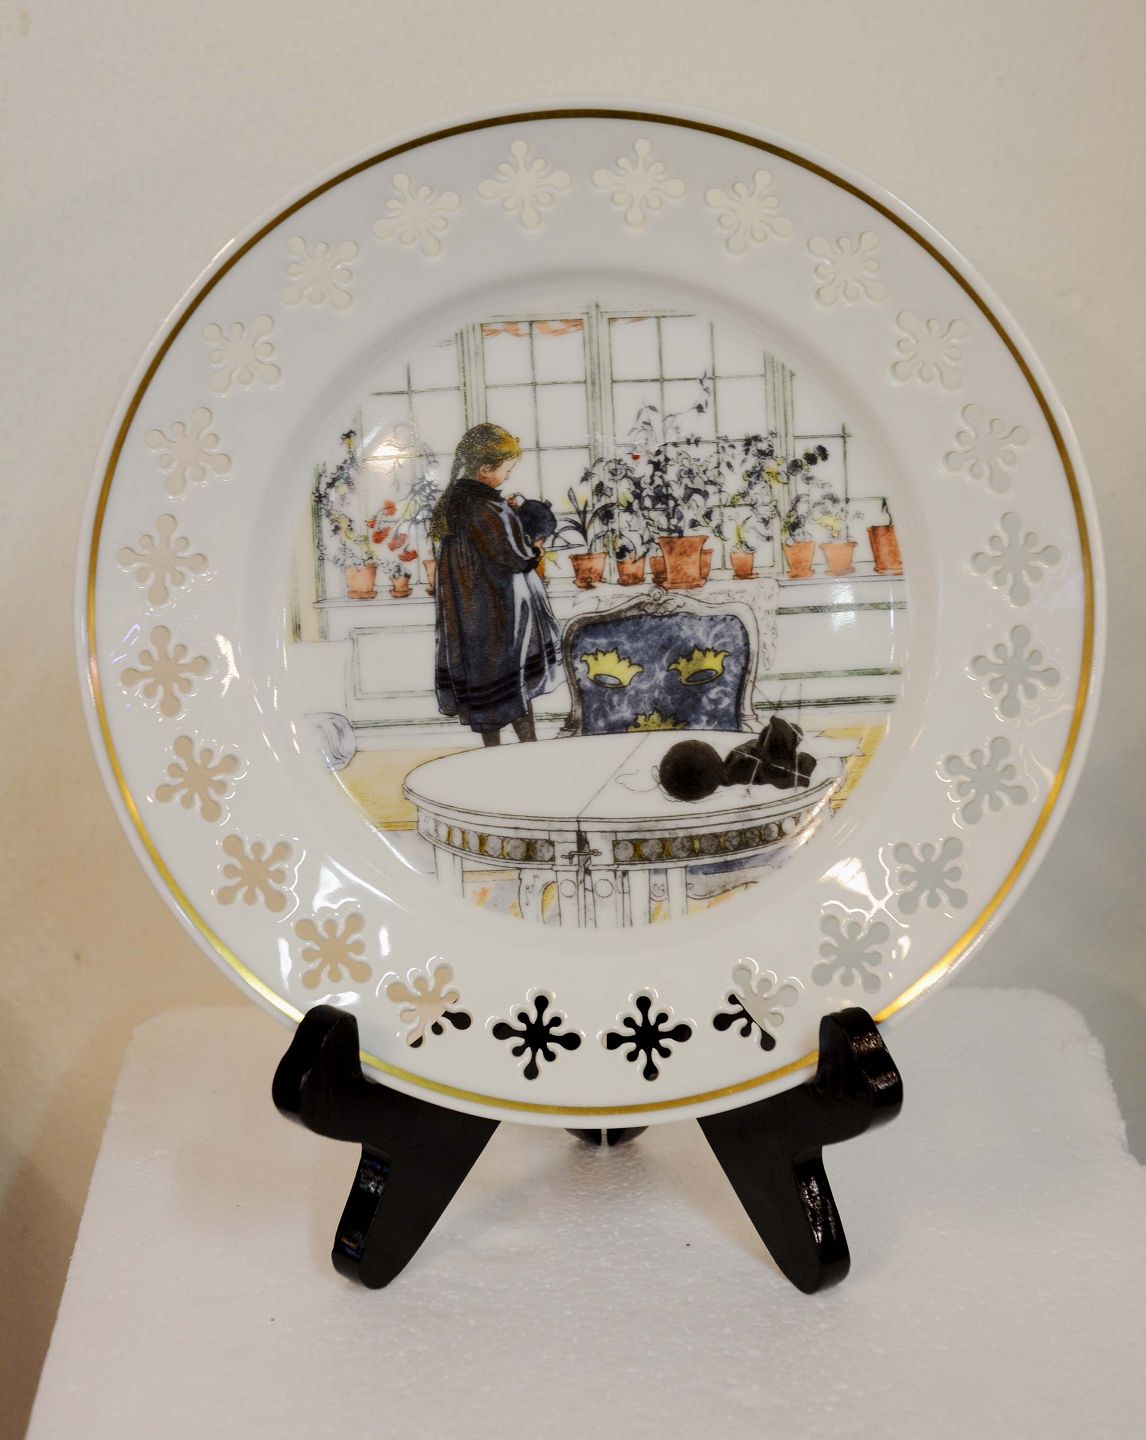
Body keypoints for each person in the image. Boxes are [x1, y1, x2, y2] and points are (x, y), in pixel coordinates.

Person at [431, 424, 561, 745]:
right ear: (486, 470)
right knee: (511, 684)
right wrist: (535, 548)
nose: (508, 476)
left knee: (486, 690)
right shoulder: (486, 508)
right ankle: (529, 748)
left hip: (470, 614)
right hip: (498, 612)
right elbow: (514, 557)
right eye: (507, 469)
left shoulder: (456, 503)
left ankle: (492, 753)